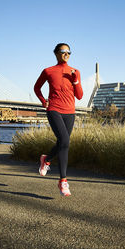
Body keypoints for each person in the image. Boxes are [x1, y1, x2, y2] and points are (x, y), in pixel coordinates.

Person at [34, 43, 83, 196]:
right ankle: (63, 181)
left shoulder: (75, 71)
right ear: (56, 53)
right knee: (65, 141)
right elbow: (37, 87)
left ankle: (46, 159)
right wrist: (43, 101)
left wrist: (75, 80)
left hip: (70, 111)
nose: (66, 54)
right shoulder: (48, 71)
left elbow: (80, 96)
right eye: (63, 51)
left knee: (63, 143)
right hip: (54, 109)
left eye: (69, 52)